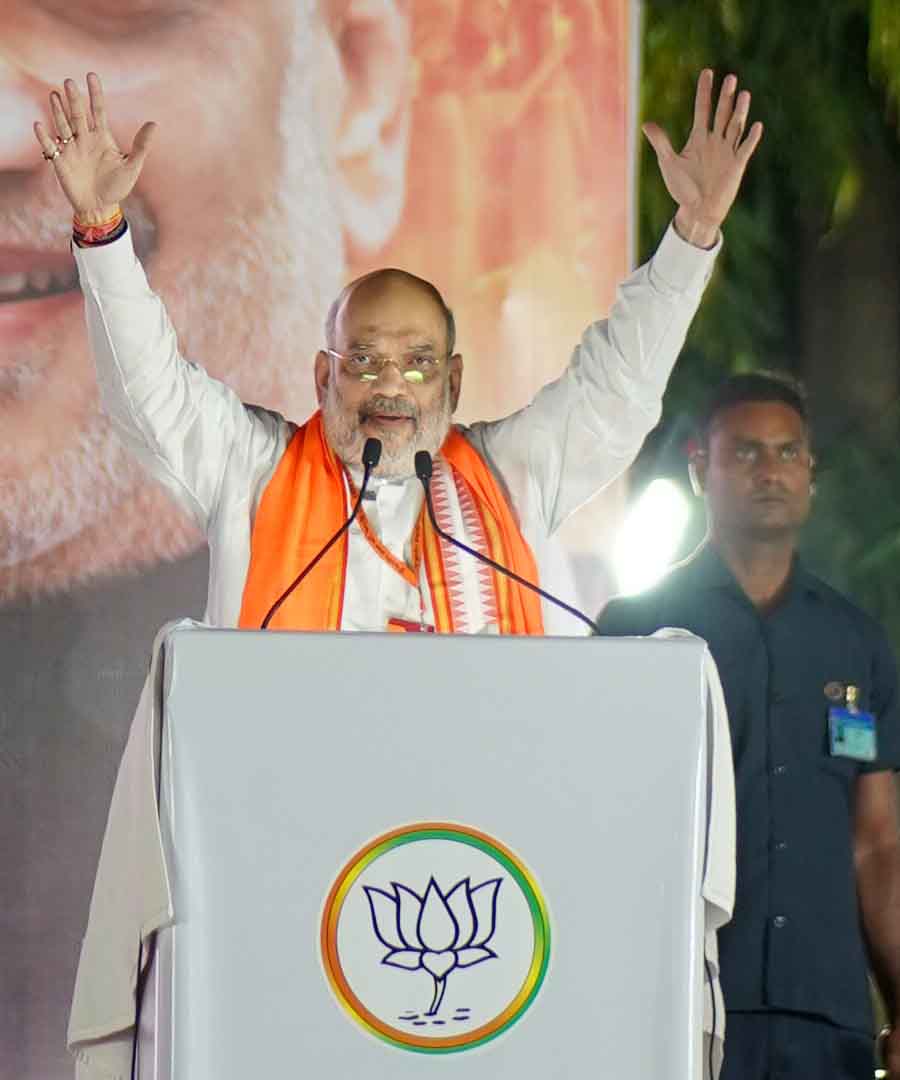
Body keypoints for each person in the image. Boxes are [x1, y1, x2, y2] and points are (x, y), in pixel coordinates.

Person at [596, 373, 900, 1079]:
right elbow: (603, 822)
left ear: (812, 473)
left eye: (789, 453)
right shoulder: (636, 628)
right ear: (700, 467)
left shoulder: (854, 642)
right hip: (679, 1003)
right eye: (746, 453)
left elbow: (878, 845)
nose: (771, 471)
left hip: (827, 1017)